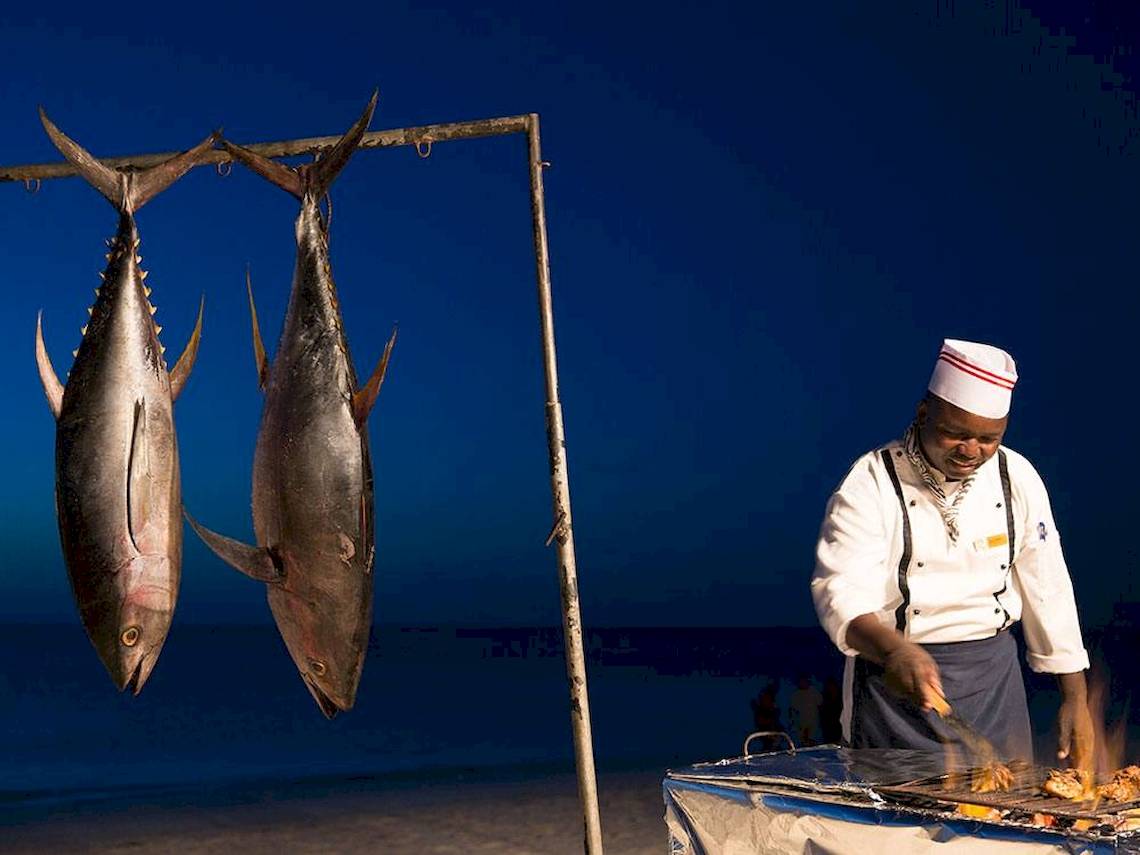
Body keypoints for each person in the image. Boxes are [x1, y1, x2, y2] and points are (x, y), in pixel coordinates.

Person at [811, 339, 1093, 765]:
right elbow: (840, 591)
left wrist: (1076, 697)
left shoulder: (1016, 476)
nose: (970, 450)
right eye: (955, 433)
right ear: (924, 414)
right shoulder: (872, 481)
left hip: (994, 685)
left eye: (987, 438)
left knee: (1003, 821)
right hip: (896, 691)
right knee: (891, 827)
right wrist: (894, 650)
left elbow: (1048, 588)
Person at [788, 674, 823, 746]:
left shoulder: (814, 691)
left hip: (813, 722)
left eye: (804, 681)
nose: (803, 683)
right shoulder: (796, 694)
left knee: (813, 740)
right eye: (801, 681)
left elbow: (820, 704)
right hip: (801, 723)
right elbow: (793, 710)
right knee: (803, 742)